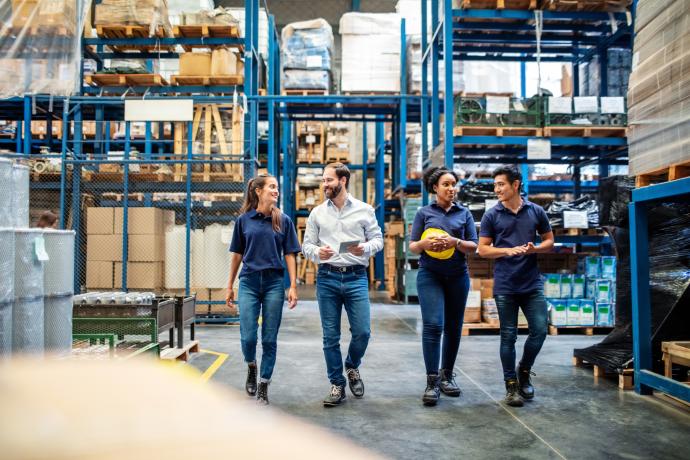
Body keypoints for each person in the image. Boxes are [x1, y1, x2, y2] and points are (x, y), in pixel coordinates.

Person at [302, 162, 383, 407]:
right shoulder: (317, 213)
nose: (324, 184)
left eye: (328, 180)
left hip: (356, 277)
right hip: (327, 277)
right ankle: (337, 383)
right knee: (330, 336)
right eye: (323, 180)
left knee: (362, 332)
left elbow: (378, 239)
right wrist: (318, 253)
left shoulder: (364, 210)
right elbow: (306, 246)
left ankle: (352, 365)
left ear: (342, 181)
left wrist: (365, 248)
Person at [477, 166, 554, 407]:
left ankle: (524, 370)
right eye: (496, 185)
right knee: (508, 336)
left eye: (501, 184)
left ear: (516, 184)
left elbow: (549, 241)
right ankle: (511, 386)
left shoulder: (536, 211)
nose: (497, 189)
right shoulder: (492, 215)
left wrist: (536, 249)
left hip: (531, 283)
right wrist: (507, 250)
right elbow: (482, 249)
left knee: (540, 330)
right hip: (506, 285)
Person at [226, 174, 301, 405]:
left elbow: (289, 254)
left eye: (277, 187)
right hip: (248, 282)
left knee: (269, 338)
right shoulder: (244, 221)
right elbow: (237, 255)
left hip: (273, 284)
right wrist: (230, 285)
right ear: (258, 191)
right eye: (271, 187)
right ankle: (251, 366)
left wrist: (293, 286)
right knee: (248, 336)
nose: (276, 191)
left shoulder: (283, 220)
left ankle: (264, 384)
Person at [408, 166, 478, 406]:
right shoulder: (423, 213)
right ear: (435, 188)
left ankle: (447, 375)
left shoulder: (464, 214)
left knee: (454, 327)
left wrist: (454, 241)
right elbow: (413, 247)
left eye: (453, 184)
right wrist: (425, 243)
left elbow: (474, 246)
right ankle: (431, 381)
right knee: (433, 325)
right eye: (446, 184)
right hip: (430, 275)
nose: (451, 189)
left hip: (458, 276)